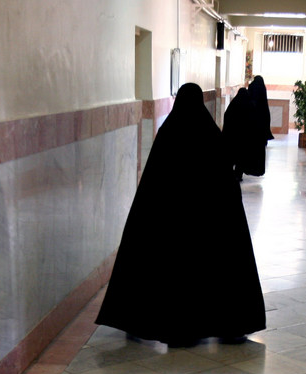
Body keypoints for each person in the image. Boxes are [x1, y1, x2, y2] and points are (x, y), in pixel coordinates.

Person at [96, 82, 265, 347]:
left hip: (171, 224)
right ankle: (227, 324)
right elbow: (226, 187)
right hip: (208, 225)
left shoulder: (168, 134)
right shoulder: (211, 135)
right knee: (216, 268)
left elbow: (152, 185)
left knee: (168, 271)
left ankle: (153, 321)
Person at [221, 87, 253, 180]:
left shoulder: (233, 105)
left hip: (232, 137)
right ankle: (239, 175)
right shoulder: (249, 106)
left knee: (231, 156)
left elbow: (227, 117)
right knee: (241, 157)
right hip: (244, 138)